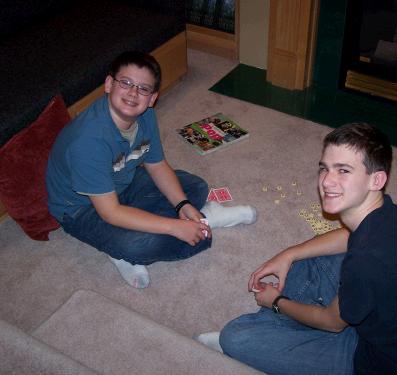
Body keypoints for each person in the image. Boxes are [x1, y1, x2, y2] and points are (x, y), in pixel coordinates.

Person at [196, 123, 397, 374]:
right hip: (390, 324)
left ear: (376, 179)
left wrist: (276, 302)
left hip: (377, 363)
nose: (327, 181)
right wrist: (289, 253)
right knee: (303, 261)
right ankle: (283, 329)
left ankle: (274, 332)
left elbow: (331, 323)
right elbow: (348, 237)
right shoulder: (389, 215)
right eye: (325, 168)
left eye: (343, 170)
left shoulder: (368, 260)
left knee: (235, 338)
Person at [46, 51, 257, 289]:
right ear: (108, 84)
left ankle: (184, 218)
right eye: (125, 83)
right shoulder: (88, 142)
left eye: (143, 88)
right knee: (141, 244)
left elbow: (156, 164)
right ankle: (201, 221)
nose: (133, 93)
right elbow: (111, 213)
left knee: (194, 188)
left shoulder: (145, 116)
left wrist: (182, 206)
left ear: (152, 98)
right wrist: (174, 227)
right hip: (81, 211)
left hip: (122, 179)